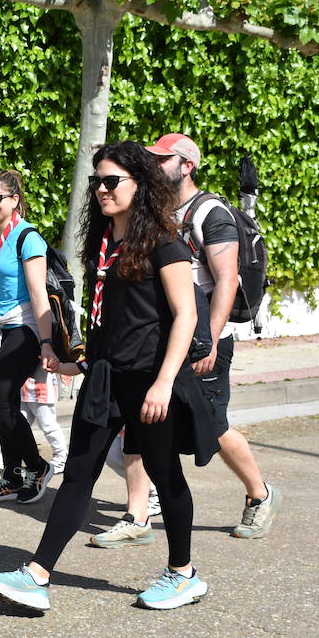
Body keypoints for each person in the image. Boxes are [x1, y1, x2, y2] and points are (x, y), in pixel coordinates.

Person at [0, 140, 218, 612]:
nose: (102, 190)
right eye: (96, 182)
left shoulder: (166, 244)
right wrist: (79, 362)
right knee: (79, 474)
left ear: (140, 185)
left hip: (151, 380)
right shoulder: (105, 243)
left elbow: (185, 316)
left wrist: (165, 382)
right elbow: (113, 321)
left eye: (112, 181)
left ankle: (183, 574)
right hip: (106, 377)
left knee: (166, 476)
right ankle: (37, 574)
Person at [116, 134, 280, 541]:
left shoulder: (211, 212)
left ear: (186, 165)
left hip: (202, 337)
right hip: (161, 334)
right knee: (135, 423)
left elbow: (227, 280)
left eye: (161, 159)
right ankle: (137, 517)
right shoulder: (155, 210)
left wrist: (208, 339)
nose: (152, 166)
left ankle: (259, 494)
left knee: (211, 425)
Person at [0, 169, 58, 503]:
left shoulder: (27, 237)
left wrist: (47, 342)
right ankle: (11, 475)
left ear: (14, 200)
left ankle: (37, 467)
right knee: (4, 405)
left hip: (25, 328)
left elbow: (38, 293)